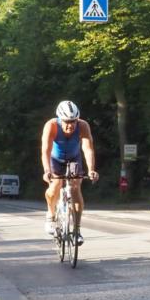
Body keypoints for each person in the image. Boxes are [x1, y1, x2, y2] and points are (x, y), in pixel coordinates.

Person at [41, 100, 99, 243]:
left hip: (74, 158)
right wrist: (47, 170)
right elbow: (45, 150)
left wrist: (91, 169)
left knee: (75, 188)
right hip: (55, 159)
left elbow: (87, 149)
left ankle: (77, 230)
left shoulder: (83, 126)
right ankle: (51, 214)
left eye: (73, 121)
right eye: (66, 121)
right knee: (55, 186)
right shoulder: (52, 126)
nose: (70, 125)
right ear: (60, 119)